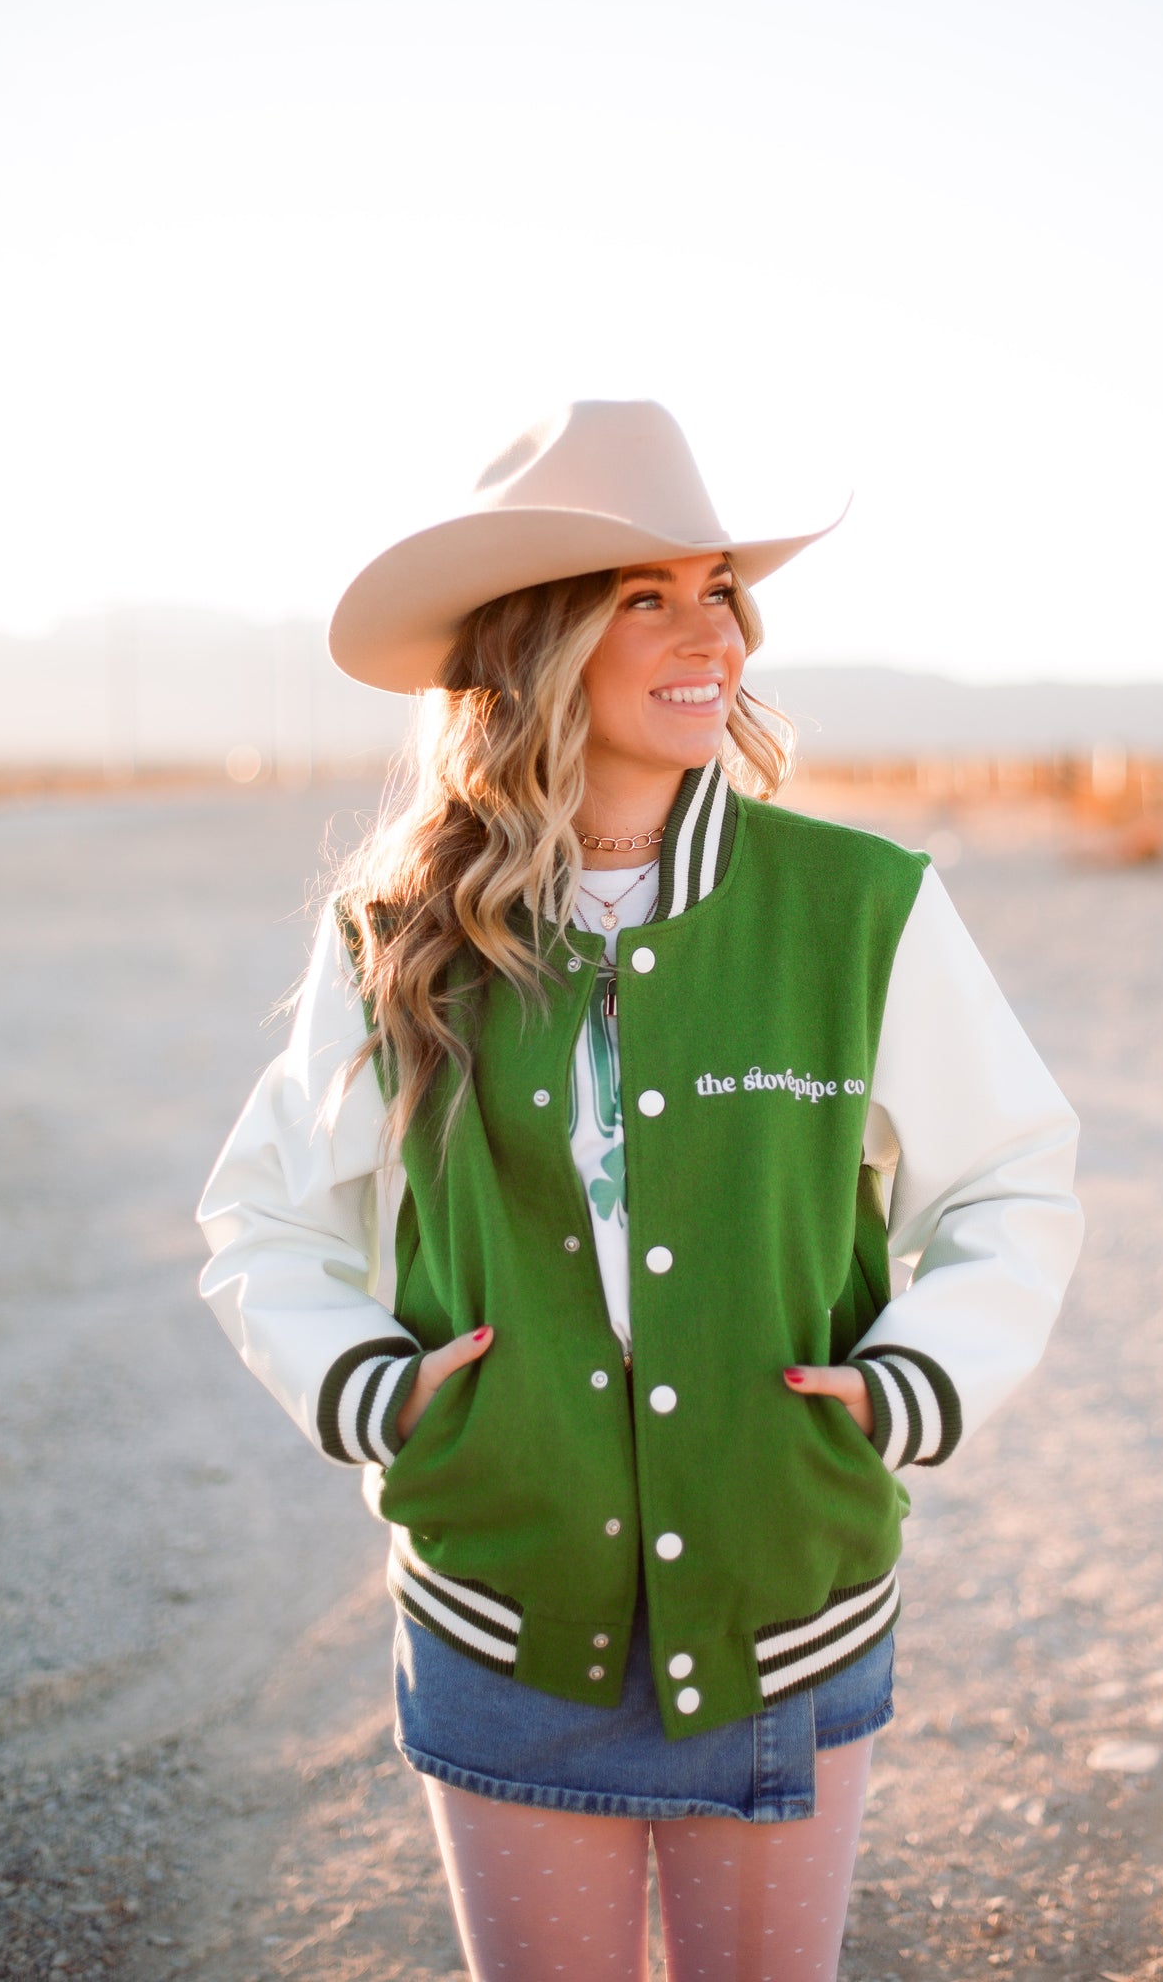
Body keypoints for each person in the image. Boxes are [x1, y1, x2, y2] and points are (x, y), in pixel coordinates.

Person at [197, 399, 1084, 1982]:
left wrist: (909, 1390)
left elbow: (1010, 1179)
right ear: (535, 647)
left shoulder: (858, 907)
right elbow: (263, 1220)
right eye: (645, 597)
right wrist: (379, 1398)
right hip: (502, 1609)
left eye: (720, 591)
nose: (711, 636)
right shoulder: (398, 929)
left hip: (781, 1598)